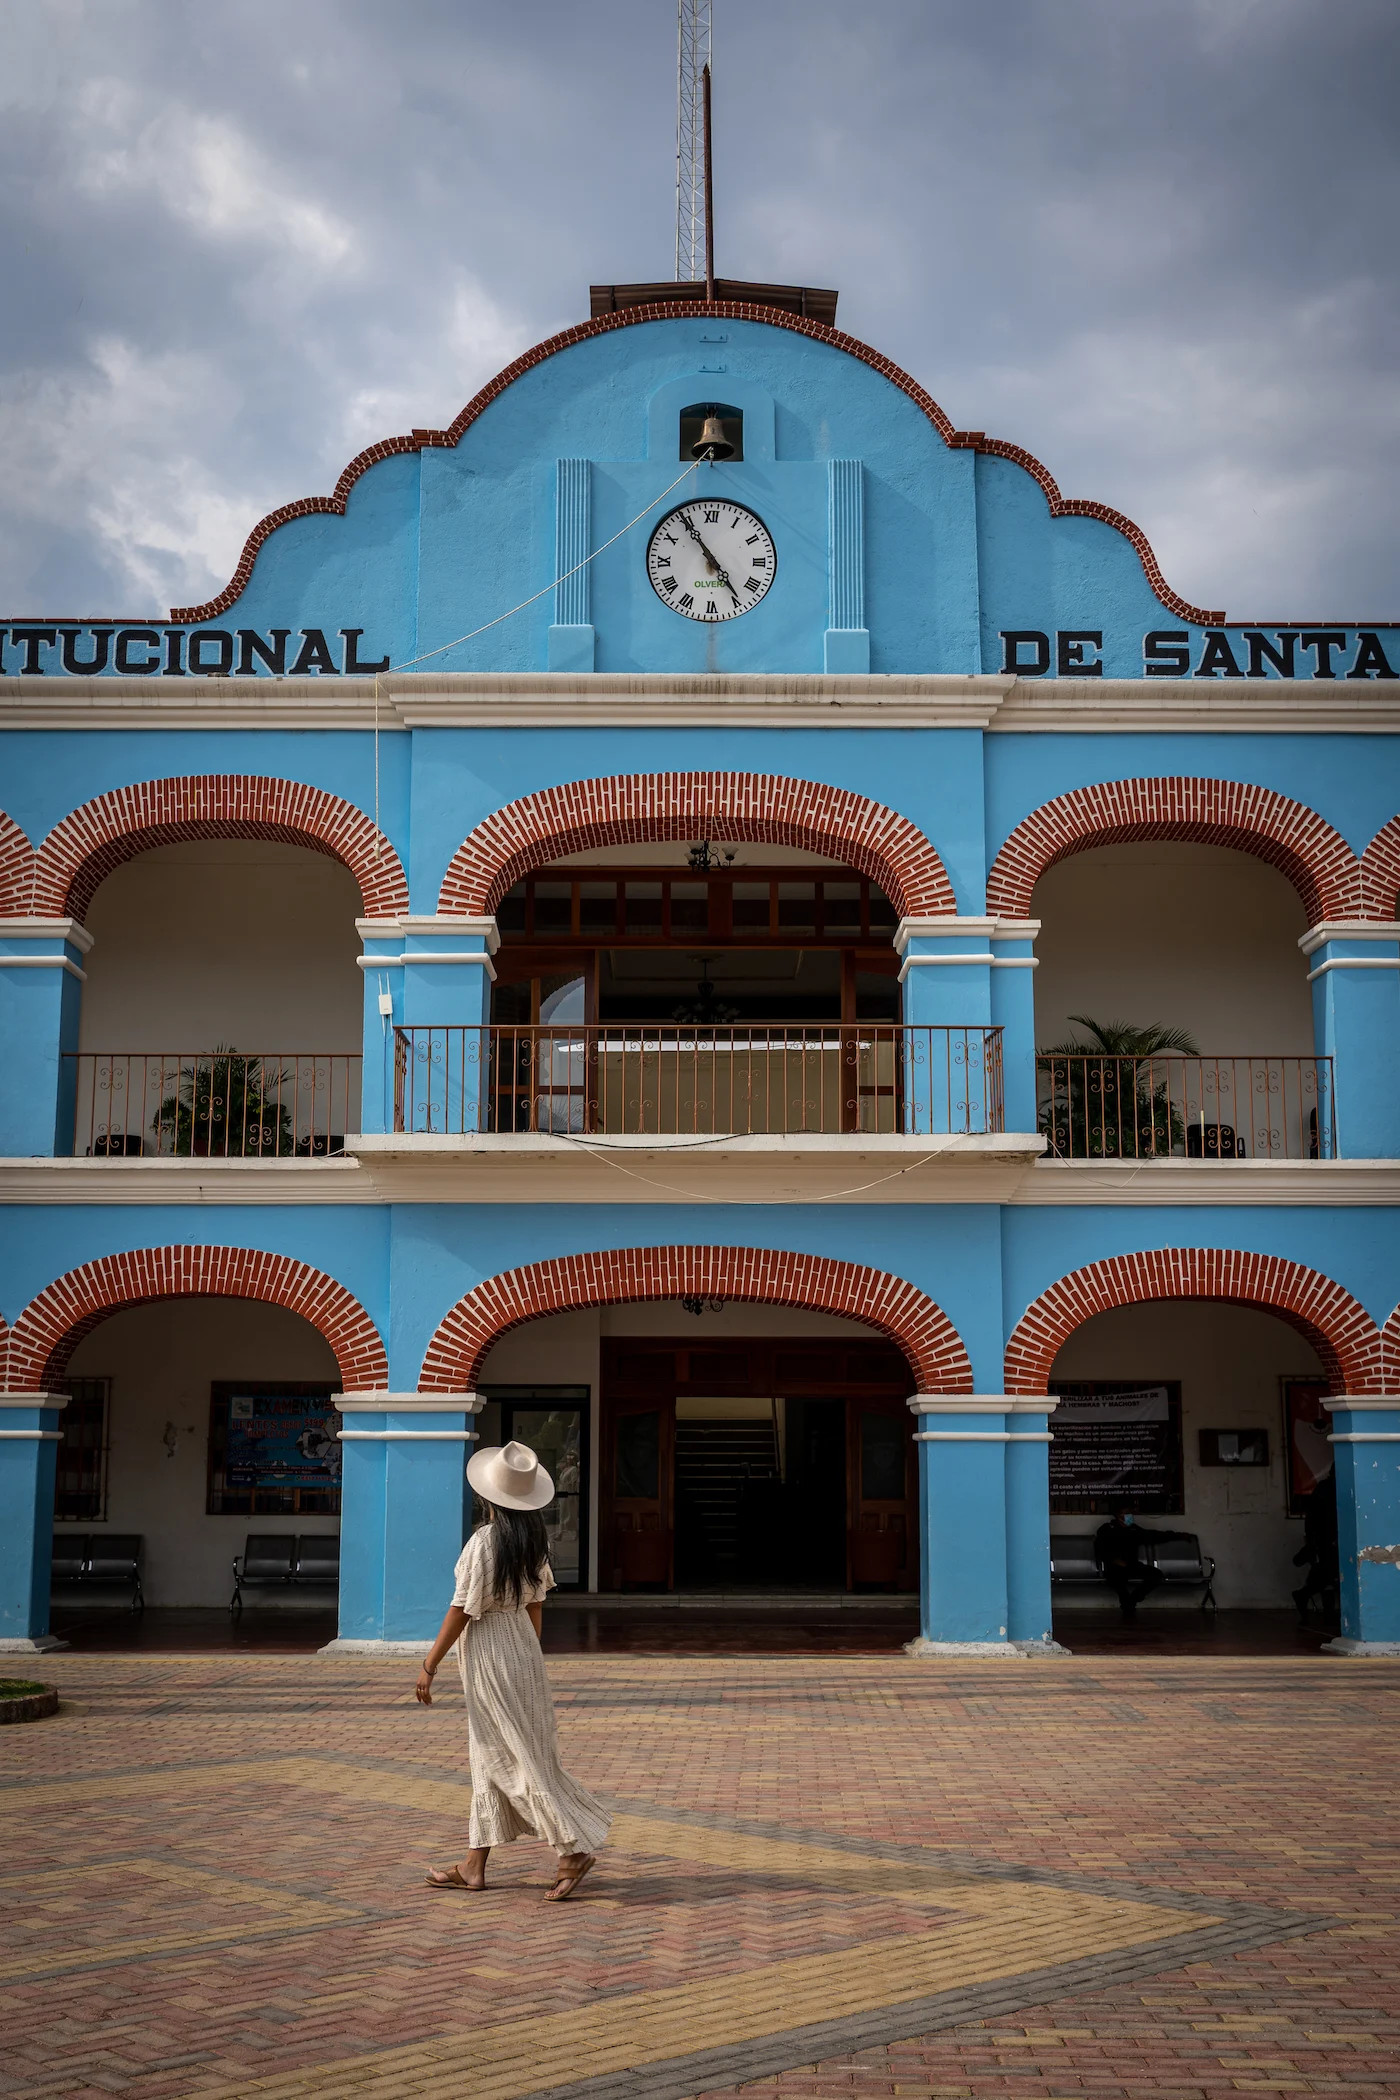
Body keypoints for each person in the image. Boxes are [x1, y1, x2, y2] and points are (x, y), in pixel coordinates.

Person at [415, 1440, 610, 1901]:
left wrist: (429, 1664)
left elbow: (462, 1607)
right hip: (523, 1648)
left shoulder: (485, 1541)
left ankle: (572, 1847)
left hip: (489, 1650)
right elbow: (537, 1606)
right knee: (495, 1755)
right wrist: (526, 1654)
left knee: (512, 1760)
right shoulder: (534, 1542)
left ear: (489, 1497)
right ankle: (473, 1866)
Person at [1094, 1508, 1163, 1617]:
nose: (1128, 1516)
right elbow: (1099, 1549)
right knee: (1116, 1578)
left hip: (1132, 1565)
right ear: (1118, 1515)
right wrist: (1114, 1560)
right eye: (1125, 1513)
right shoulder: (1107, 1529)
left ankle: (1131, 1600)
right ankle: (1128, 1603)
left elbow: (1152, 1536)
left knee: (1156, 1574)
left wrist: (1178, 1535)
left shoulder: (1133, 1529)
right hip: (1114, 1566)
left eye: (1129, 1513)